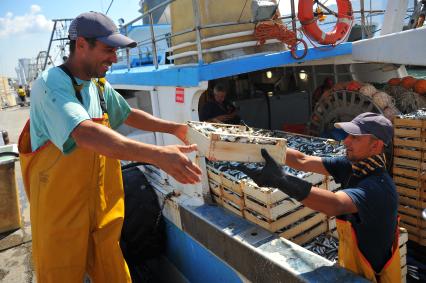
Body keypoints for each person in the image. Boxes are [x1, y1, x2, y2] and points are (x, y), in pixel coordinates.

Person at [18, 12, 201, 283]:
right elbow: (85, 134)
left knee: (115, 275)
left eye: (115, 51)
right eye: (108, 50)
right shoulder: (51, 84)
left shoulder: (98, 86)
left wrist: (174, 129)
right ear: (81, 45)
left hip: (102, 213)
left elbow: (127, 114)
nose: (114, 58)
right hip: (61, 218)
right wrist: (157, 155)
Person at [238, 112, 400, 283]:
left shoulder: (380, 187)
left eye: (355, 137)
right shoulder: (352, 165)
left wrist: (282, 180)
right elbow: (303, 160)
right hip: (350, 264)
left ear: (376, 146)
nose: (346, 141)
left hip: (372, 276)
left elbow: (336, 204)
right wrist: (259, 148)